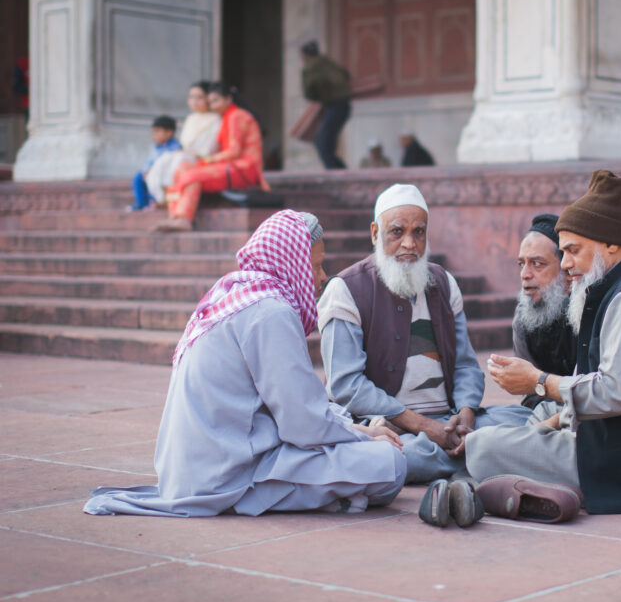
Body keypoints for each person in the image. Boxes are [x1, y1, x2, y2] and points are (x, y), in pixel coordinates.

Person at [84, 210, 406, 517]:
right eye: (316, 266)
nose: (322, 277)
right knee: (390, 464)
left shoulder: (237, 296)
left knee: (367, 451)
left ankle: (333, 497)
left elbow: (294, 410)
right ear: (291, 263)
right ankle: (301, 499)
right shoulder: (270, 312)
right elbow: (302, 424)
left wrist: (356, 430)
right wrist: (362, 436)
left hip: (201, 469)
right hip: (229, 474)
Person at [469, 170, 621, 515]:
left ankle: (503, 487)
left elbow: (618, 393)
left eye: (573, 251)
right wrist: (547, 421)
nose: (566, 264)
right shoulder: (612, 290)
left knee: (484, 447)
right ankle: (530, 485)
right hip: (613, 443)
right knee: (513, 429)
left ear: (611, 243)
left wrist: (539, 382)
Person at [317, 183, 533, 484]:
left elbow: (465, 366)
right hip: (388, 426)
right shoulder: (345, 290)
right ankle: (482, 456)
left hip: (447, 420)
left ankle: (469, 452)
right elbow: (346, 386)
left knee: (528, 420)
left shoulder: (444, 283)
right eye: (397, 232)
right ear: (375, 234)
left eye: (418, 232)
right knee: (395, 454)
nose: (409, 243)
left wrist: (466, 414)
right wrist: (422, 426)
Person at [156, 82, 269, 232]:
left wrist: (208, 160)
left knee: (193, 175)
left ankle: (183, 219)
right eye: (210, 102)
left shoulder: (236, 116)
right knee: (182, 168)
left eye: (216, 101)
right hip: (231, 166)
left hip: (244, 169)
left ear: (228, 99)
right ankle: (174, 217)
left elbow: (234, 151)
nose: (212, 106)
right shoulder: (227, 117)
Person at [513, 213, 576, 409]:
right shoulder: (524, 316)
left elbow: (593, 394)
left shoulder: (588, 312)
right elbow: (530, 392)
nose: (525, 275)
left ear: (567, 270)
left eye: (537, 264)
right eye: (521, 264)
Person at [144, 81, 222, 205]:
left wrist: (190, 153)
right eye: (191, 97)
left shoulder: (215, 120)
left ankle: (170, 196)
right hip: (183, 154)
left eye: (199, 97)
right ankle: (159, 197)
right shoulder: (191, 118)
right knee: (163, 160)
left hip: (200, 159)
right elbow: (183, 143)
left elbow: (210, 148)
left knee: (176, 160)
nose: (194, 101)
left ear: (208, 99)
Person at [301, 40, 352, 170]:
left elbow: (309, 92)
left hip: (334, 106)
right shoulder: (328, 62)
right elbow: (346, 75)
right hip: (344, 106)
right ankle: (340, 171)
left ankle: (337, 173)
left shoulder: (311, 67)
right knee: (327, 143)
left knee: (322, 142)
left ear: (305, 55)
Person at [128, 115, 181, 212]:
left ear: (169, 132)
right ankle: (141, 204)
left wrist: (151, 172)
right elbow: (149, 162)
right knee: (138, 177)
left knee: (154, 179)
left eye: (158, 131)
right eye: (153, 132)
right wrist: (146, 171)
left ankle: (154, 202)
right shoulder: (157, 147)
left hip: (164, 175)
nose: (154, 135)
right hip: (151, 173)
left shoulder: (175, 147)